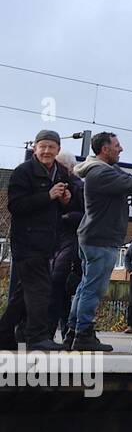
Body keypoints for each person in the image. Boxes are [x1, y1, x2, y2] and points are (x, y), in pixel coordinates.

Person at [68, 132, 132, 352]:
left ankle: (73, 332)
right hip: (101, 239)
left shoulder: (103, 170)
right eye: (117, 145)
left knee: (85, 286)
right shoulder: (101, 173)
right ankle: (83, 334)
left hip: (93, 237)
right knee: (93, 288)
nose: (121, 149)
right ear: (104, 149)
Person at [0, 130, 74, 351]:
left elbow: (64, 205)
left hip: (48, 242)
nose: (47, 151)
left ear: (58, 150)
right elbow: (16, 206)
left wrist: (65, 201)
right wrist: (48, 196)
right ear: (35, 148)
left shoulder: (60, 172)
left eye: (52, 147)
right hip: (27, 241)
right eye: (43, 146)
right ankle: (36, 337)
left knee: (25, 292)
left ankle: (3, 334)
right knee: (40, 289)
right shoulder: (23, 172)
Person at [46, 150, 84, 346]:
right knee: (59, 292)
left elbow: (85, 215)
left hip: (69, 244)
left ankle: (57, 334)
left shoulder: (78, 187)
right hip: (58, 243)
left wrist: (64, 216)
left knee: (58, 287)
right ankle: (61, 334)